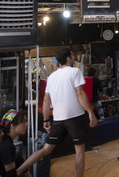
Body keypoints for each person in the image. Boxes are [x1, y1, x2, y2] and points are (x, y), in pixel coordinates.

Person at [17, 48, 97, 177]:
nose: (73, 57)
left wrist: (45, 120)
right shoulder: (75, 71)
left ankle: (19, 170)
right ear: (68, 59)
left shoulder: (51, 77)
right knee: (79, 151)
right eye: (72, 55)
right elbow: (80, 93)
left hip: (58, 119)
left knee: (46, 149)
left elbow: (46, 100)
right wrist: (90, 113)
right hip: (75, 117)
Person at [0, 110, 30, 177]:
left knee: (18, 158)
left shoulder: (3, 140)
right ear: (13, 125)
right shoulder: (7, 146)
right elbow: (11, 175)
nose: (27, 124)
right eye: (23, 122)